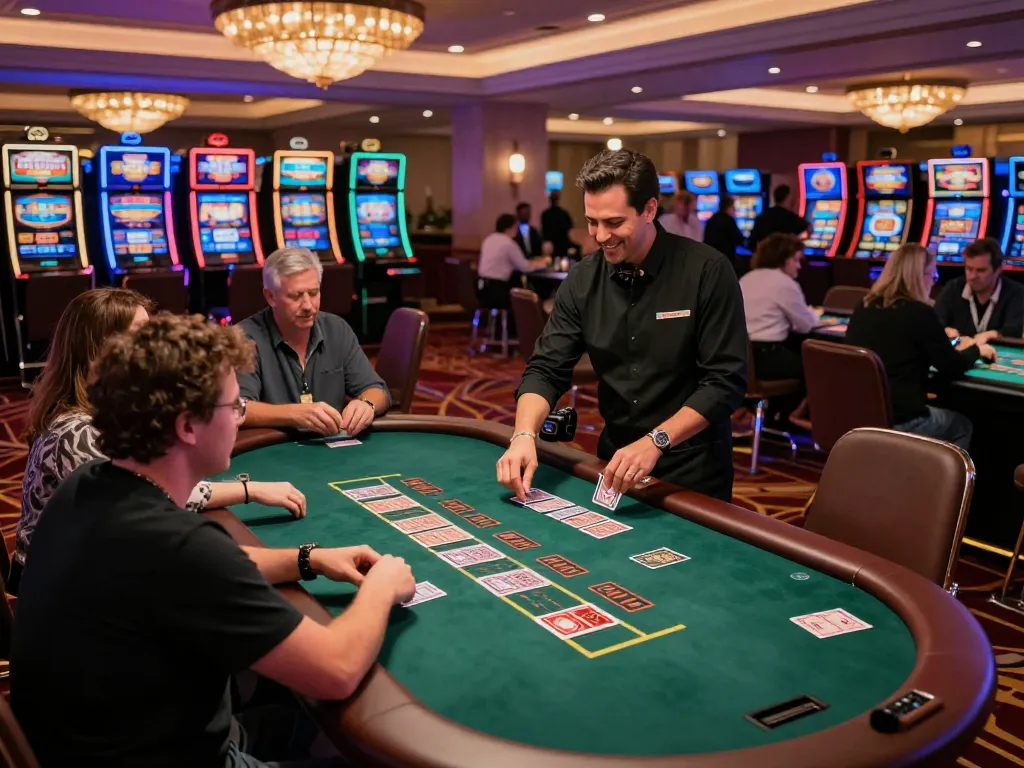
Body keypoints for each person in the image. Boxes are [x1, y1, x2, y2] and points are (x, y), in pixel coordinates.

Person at [10, 313, 416, 766]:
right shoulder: (178, 545)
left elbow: (206, 568)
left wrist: (309, 559)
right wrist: (382, 586)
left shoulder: (88, 482)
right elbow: (335, 671)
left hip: (94, 738)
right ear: (187, 426)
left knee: (304, 716)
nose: (241, 416)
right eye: (234, 406)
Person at [11, 288, 305, 596]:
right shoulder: (78, 432)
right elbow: (152, 503)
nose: (152, 347)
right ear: (103, 350)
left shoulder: (113, 411)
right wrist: (254, 496)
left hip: (89, 566)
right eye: (141, 336)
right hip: (57, 587)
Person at [498, 149, 747, 502]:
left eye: (614, 223)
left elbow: (725, 382)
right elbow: (546, 368)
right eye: (592, 221)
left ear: (649, 209)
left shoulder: (707, 271)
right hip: (615, 461)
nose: (600, 236)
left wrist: (655, 441)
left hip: (693, 467)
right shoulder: (583, 279)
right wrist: (524, 435)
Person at [846, 244, 995, 450]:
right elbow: (951, 364)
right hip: (900, 420)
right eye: (932, 275)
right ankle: (940, 482)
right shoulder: (918, 312)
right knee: (962, 425)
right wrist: (978, 349)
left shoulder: (864, 305)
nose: (933, 282)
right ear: (919, 275)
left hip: (859, 415)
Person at [237, 247, 390, 437]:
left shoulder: (336, 329)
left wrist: (366, 404)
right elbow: (237, 408)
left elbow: (377, 390)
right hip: (271, 451)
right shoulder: (243, 339)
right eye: (295, 296)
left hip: (332, 448)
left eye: (314, 293)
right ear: (270, 297)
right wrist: (295, 414)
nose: (308, 306)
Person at [739, 234, 820, 381]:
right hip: (766, 358)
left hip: (739, 360)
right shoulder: (784, 283)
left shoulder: (746, 278)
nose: (799, 266)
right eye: (795, 260)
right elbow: (806, 326)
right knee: (819, 366)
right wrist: (814, 314)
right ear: (781, 259)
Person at [934, 237, 1024, 339]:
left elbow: (1014, 330)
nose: (972, 276)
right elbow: (935, 322)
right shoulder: (953, 288)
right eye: (969, 269)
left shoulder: (1016, 293)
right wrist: (944, 331)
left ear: (998, 269)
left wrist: (992, 335)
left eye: (981, 270)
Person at [477, 213, 551, 308]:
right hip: (498, 290)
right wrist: (544, 262)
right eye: (516, 227)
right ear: (510, 228)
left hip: (481, 288)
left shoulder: (489, 239)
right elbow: (525, 267)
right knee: (527, 294)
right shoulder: (509, 244)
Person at [749, 184, 811, 253]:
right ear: (788, 197)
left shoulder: (763, 215)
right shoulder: (790, 217)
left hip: (764, 257)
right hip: (783, 258)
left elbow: (752, 241)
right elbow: (809, 227)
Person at [703, 194, 746, 271]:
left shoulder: (712, 219)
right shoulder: (728, 220)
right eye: (733, 208)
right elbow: (739, 239)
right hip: (725, 258)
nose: (734, 210)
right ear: (729, 207)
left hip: (710, 258)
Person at [541, 191, 575, 257]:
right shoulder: (564, 213)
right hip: (562, 244)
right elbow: (570, 227)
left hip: (551, 245)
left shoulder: (545, 214)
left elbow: (543, 230)